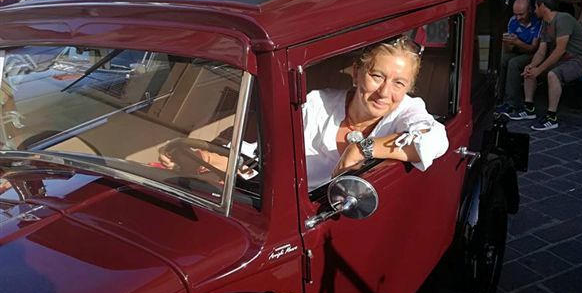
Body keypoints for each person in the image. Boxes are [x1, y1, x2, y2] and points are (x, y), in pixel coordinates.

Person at [159, 36, 449, 190]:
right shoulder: (318, 104)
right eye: (377, 76)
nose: (385, 92)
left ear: (408, 88)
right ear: (357, 73)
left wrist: (363, 148)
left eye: (399, 83)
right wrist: (211, 159)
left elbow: (435, 139)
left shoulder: (407, 110)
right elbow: (268, 152)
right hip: (294, 210)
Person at [522, 0, 582, 131]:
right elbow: (541, 51)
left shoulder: (563, 18)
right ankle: (529, 108)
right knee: (530, 70)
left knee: (553, 74)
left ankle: (551, 118)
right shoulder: (545, 23)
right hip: (566, 60)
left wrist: (539, 69)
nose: (534, 11)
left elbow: (560, 50)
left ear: (542, 6)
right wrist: (532, 66)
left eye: (535, 7)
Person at [495, 0, 542, 120]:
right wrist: (507, 43)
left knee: (514, 63)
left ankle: (512, 103)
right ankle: (498, 97)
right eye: (515, 14)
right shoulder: (513, 21)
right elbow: (510, 47)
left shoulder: (537, 22)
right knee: (503, 59)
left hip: (532, 54)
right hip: (517, 50)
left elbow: (534, 48)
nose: (518, 18)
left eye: (521, 14)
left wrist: (517, 42)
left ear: (530, 10)